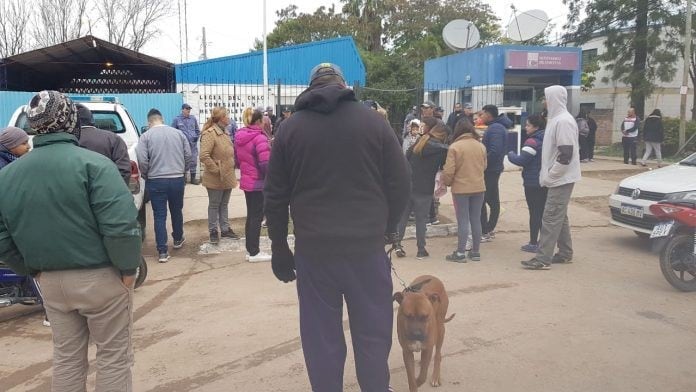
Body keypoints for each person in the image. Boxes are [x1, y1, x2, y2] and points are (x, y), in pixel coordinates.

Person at [264, 63, 410, 392]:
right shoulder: (375, 123)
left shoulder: (289, 130)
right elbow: (401, 181)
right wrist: (388, 228)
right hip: (366, 250)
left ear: (310, 87)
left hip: (315, 253)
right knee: (373, 332)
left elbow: (274, 196)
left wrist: (279, 247)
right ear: (344, 85)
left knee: (321, 337)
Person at [0, 90, 142, 391]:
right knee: (113, 357)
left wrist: (28, 268)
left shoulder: (8, 176)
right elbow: (120, 225)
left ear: (35, 125)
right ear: (70, 121)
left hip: (49, 281)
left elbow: (2, 235)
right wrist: (129, 269)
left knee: (66, 358)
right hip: (100, 276)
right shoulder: (94, 166)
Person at [522, 85, 581, 270]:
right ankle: (565, 253)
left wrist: (550, 176)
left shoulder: (563, 121)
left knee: (550, 217)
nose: (543, 101)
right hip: (557, 178)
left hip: (560, 179)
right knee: (559, 216)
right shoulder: (555, 120)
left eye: (546, 98)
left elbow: (566, 154)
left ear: (554, 99)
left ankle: (542, 258)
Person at [137, 108, 192, 262]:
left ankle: (162, 251)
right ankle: (178, 239)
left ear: (149, 122)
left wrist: (147, 174)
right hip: (176, 179)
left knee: (159, 215)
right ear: (162, 119)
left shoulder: (145, 136)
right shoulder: (178, 134)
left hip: (156, 180)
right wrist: (183, 170)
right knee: (176, 210)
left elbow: (142, 160)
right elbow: (188, 155)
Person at [395, 117, 448, 259]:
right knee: (421, 220)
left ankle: (397, 244)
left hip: (408, 185)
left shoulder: (419, 142)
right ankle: (421, 250)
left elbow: (405, 160)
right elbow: (444, 167)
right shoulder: (441, 149)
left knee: (403, 218)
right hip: (425, 188)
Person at [442, 119, 487, 262]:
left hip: (461, 188)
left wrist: (447, 182)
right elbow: (484, 166)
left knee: (463, 220)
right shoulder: (481, 146)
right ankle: (476, 252)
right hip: (479, 187)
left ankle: (460, 252)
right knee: (476, 219)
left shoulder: (455, 147)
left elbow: (449, 170)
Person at [235, 107, 272, 262]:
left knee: (251, 216)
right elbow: (265, 163)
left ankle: (250, 250)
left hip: (247, 180)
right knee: (256, 216)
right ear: (258, 121)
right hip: (258, 182)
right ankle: (255, 252)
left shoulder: (240, 135)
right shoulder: (259, 138)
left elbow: (237, 161)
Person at [200, 107, 240, 244]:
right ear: (221, 118)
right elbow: (204, 156)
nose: (229, 118)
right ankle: (213, 230)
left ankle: (225, 229)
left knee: (224, 204)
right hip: (215, 177)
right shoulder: (210, 134)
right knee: (214, 204)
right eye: (227, 115)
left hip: (227, 175)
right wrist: (217, 169)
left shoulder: (225, 132)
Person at [507, 114, 547, 253]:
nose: (526, 127)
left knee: (534, 213)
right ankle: (544, 242)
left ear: (536, 127)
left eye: (528, 125)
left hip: (532, 182)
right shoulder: (546, 139)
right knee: (542, 213)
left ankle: (533, 243)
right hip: (544, 181)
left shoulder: (532, 142)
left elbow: (520, 160)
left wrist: (510, 153)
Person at [75, 103, 131, 183]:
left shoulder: (67, 140)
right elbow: (124, 170)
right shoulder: (113, 139)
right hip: (108, 191)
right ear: (91, 120)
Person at [480, 104, 511, 241]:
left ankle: (484, 230)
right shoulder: (495, 127)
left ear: (488, 114)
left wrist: (483, 164)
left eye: (482, 114)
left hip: (491, 170)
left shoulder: (496, 129)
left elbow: (495, 151)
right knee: (492, 200)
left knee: (482, 200)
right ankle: (488, 229)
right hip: (493, 169)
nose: (481, 117)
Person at [172, 103, 201, 184]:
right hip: (182, 145)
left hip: (193, 144)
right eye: (187, 109)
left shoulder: (193, 118)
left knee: (193, 161)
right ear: (182, 110)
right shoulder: (177, 119)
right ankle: (183, 180)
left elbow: (197, 130)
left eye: (189, 109)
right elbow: (173, 132)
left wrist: (196, 137)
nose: (188, 111)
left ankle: (193, 179)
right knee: (183, 161)